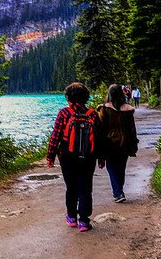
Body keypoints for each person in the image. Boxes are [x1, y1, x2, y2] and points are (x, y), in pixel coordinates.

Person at [46, 82, 104, 232]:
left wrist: (50, 156)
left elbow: (55, 136)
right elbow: (99, 138)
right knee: (85, 188)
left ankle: (71, 217)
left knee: (71, 187)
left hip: (67, 157)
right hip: (88, 157)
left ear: (69, 99)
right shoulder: (92, 114)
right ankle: (84, 221)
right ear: (86, 98)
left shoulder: (64, 113)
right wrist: (101, 157)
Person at [97, 84, 139, 203]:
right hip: (125, 143)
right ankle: (119, 190)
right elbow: (132, 129)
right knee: (121, 168)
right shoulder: (128, 109)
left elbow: (100, 129)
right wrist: (134, 144)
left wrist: (99, 149)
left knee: (111, 168)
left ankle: (118, 192)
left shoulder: (104, 109)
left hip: (109, 144)